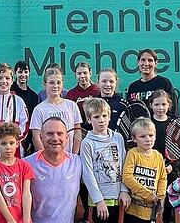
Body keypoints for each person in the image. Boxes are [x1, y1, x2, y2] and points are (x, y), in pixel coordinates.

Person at [80, 98, 131, 223]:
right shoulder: (87, 143)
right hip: (99, 203)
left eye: (104, 115)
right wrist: (99, 200)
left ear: (109, 117)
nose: (101, 120)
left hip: (118, 199)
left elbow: (124, 165)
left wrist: (124, 191)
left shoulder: (118, 138)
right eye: (96, 117)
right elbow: (87, 174)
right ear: (89, 119)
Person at [24, 117, 82, 223]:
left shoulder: (78, 163)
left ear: (67, 137)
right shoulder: (26, 164)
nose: (55, 138)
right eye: (50, 134)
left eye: (60, 134)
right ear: (41, 137)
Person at [65, 62, 100, 223]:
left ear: (90, 73)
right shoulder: (71, 94)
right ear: (75, 75)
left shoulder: (97, 91)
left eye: (85, 73)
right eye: (79, 73)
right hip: (79, 140)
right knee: (81, 178)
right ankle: (85, 212)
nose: (82, 76)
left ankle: (95, 211)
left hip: (96, 140)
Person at [0, 122, 34, 223]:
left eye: (11, 143)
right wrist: (10, 220)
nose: (8, 147)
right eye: (3, 143)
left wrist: (26, 219)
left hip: (22, 217)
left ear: (17, 144)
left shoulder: (25, 165)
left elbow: (26, 193)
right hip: (2, 218)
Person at [30, 63, 82, 154]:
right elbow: (36, 137)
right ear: (44, 84)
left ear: (62, 84)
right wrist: (46, 158)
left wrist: (74, 155)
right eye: (51, 83)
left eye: (58, 82)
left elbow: (77, 132)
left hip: (69, 160)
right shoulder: (39, 109)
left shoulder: (72, 105)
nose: (55, 86)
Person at [122, 117, 166, 223]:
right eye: (142, 136)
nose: (148, 139)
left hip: (151, 212)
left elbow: (162, 178)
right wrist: (148, 194)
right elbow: (127, 177)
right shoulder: (133, 153)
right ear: (134, 138)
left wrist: (160, 197)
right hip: (132, 211)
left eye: (151, 135)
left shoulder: (158, 156)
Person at [0, 63, 29, 156]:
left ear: (12, 81)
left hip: (14, 150)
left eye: (7, 78)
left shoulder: (19, 101)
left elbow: (25, 125)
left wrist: (14, 141)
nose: (3, 81)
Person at [149, 90, 177, 223]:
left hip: (170, 172)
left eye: (163, 104)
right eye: (157, 104)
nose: (160, 108)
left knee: (169, 205)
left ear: (169, 105)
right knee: (151, 203)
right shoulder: (147, 124)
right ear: (151, 105)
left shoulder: (175, 124)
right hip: (152, 171)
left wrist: (172, 165)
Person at [126, 49, 179, 116]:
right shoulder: (133, 87)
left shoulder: (164, 83)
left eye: (150, 60)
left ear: (156, 63)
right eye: (143, 60)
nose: (146, 63)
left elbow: (173, 110)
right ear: (138, 62)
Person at [10, 61, 39, 155]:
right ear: (15, 73)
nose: (23, 75)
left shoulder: (33, 96)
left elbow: (32, 120)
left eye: (25, 72)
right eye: (20, 72)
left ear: (29, 73)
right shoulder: (9, 91)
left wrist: (29, 140)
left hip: (26, 140)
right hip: (9, 139)